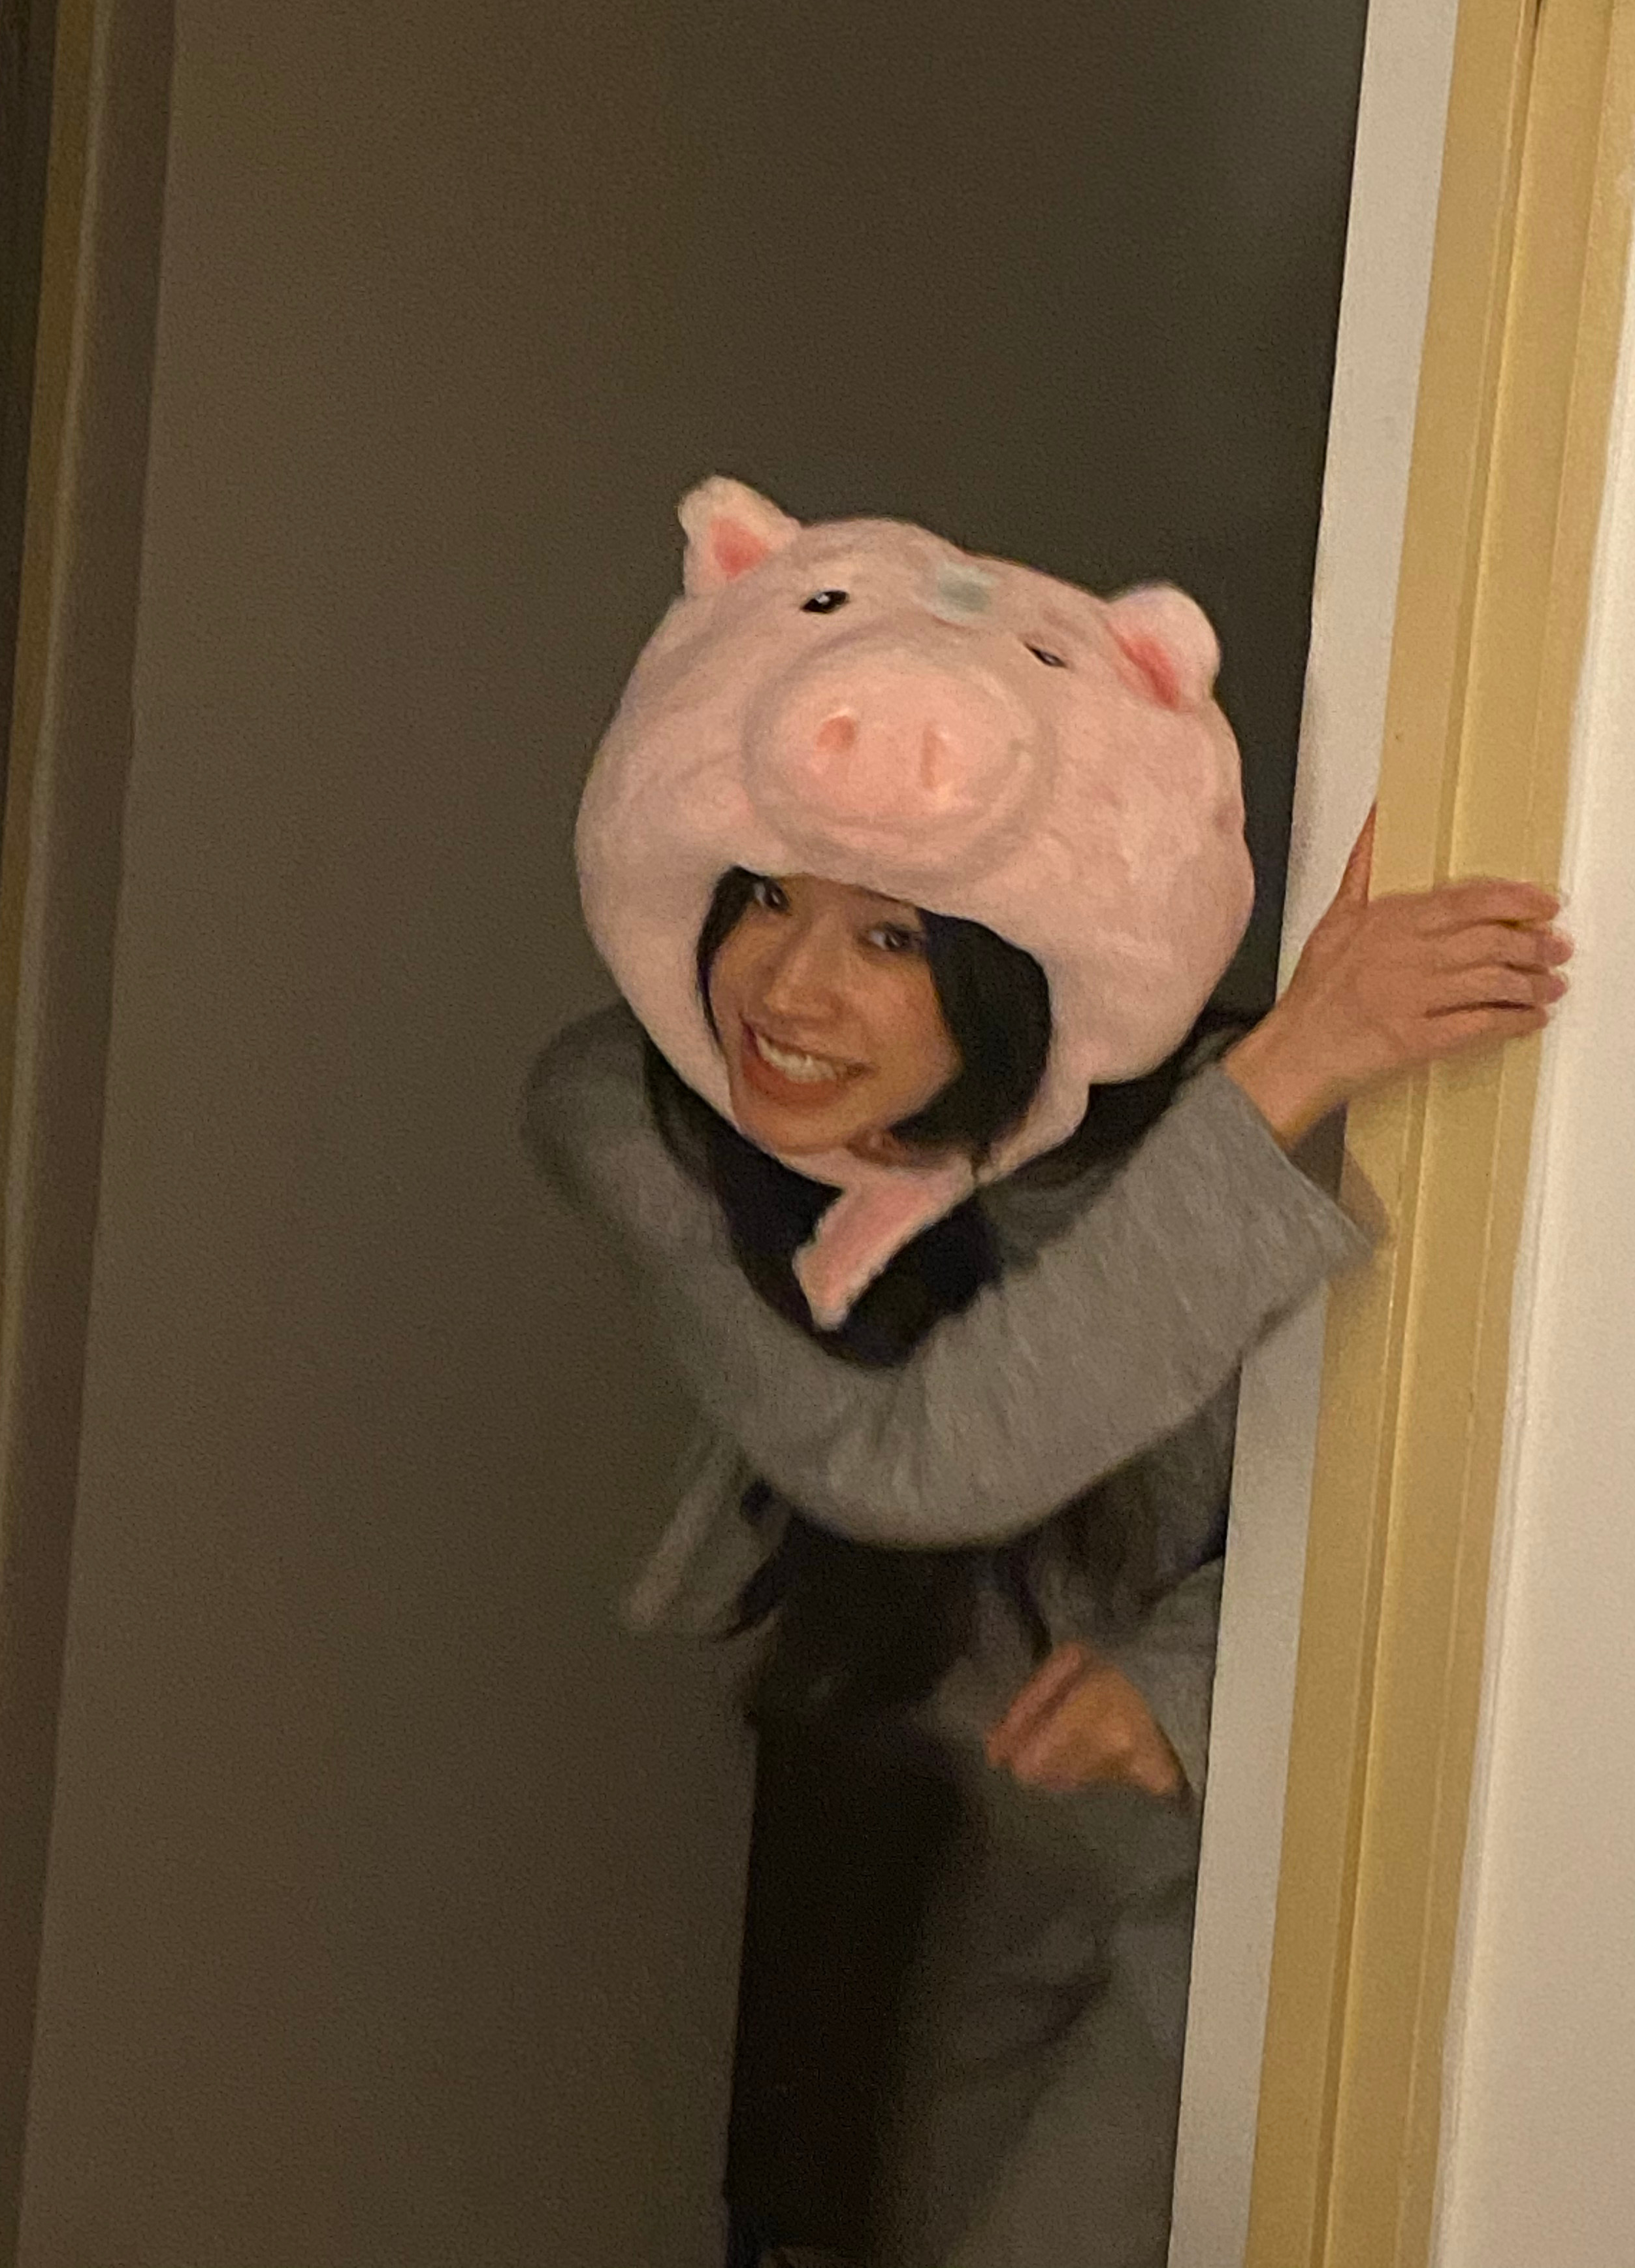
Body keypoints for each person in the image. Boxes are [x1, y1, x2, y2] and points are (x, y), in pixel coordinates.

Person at [523, 816, 1568, 2268]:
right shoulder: (640, 1111)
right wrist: (1293, 1070)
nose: (791, 990)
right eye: (764, 895)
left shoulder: (1242, 1123)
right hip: (981, 1797)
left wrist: (1188, 1676)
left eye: (892, 935)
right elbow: (907, 1463)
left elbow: (1445, 1485)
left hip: (1233, 1846)